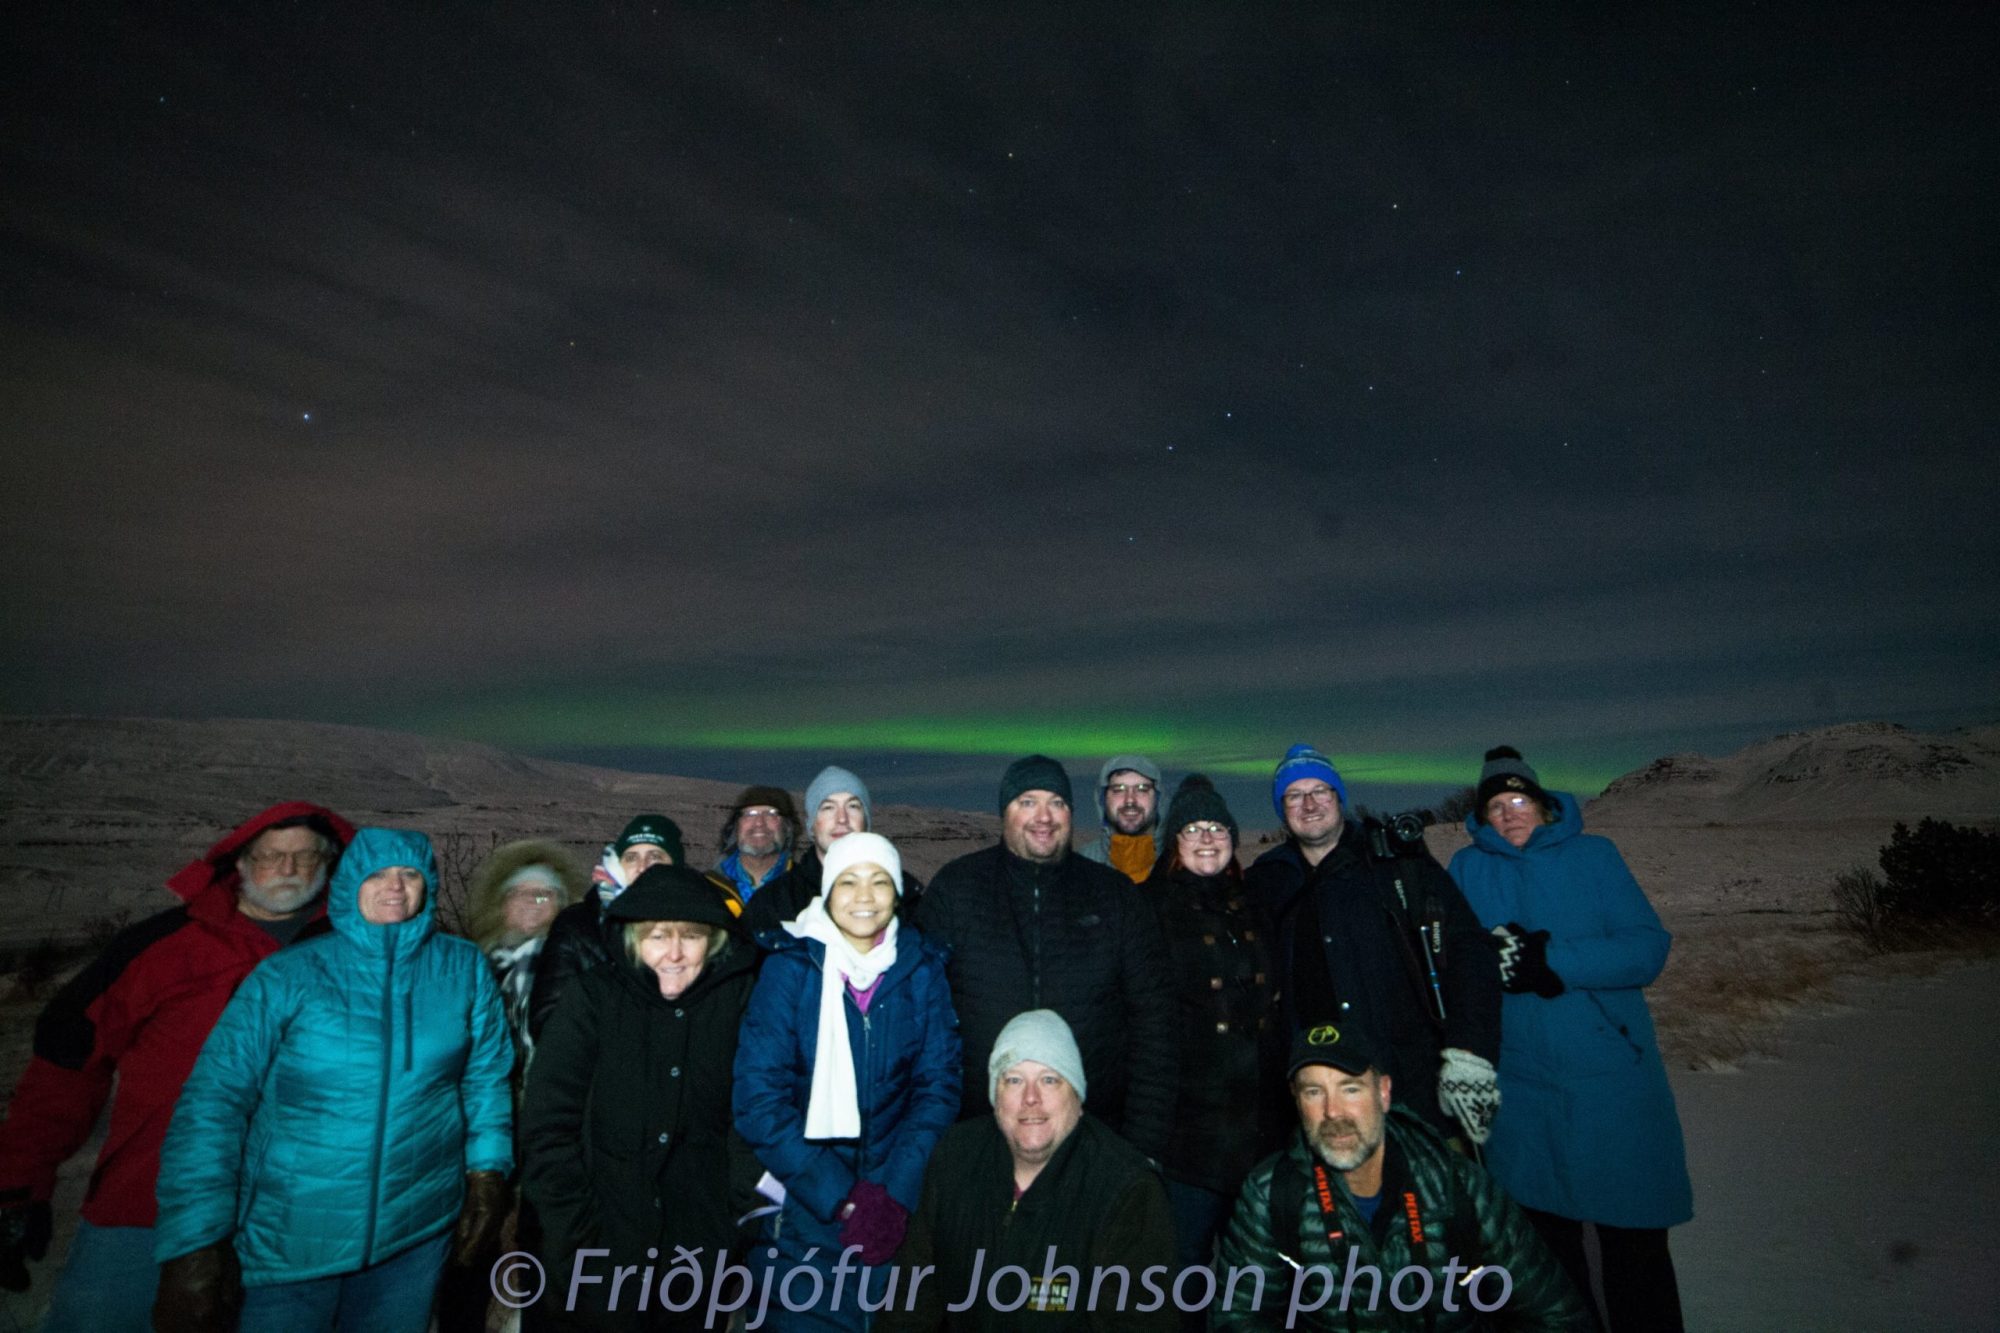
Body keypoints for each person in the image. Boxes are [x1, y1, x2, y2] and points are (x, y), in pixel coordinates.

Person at [0, 802, 354, 1332]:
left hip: (293, 1212)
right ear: (237, 863)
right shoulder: (162, 947)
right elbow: (67, 1061)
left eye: (306, 856)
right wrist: (19, 1182)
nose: (287, 869)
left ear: (331, 865)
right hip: (146, 1204)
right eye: (271, 856)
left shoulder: (356, 952)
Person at [151, 827, 514, 1333]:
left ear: (427, 883)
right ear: (349, 884)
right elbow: (215, 1101)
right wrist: (195, 1240)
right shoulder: (290, 976)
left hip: (413, 1239)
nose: (395, 886)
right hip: (291, 1244)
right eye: (377, 874)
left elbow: (485, 1077)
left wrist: (487, 1172)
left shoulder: (461, 968)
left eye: (409, 873)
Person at [1446, 747, 1693, 1333]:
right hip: (1521, 1088)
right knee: (1549, 1258)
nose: (1509, 815)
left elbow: (1646, 948)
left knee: (1634, 1246)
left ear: (1543, 804)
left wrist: (1551, 960)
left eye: (1518, 801)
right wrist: (1484, 958)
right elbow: (1452, 957)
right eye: (1496, 807)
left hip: (1608, 1076)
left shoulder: (1594, 856)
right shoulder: (1466, 868)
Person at [1212, 1026, 1589, 1332]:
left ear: (1384, 1093)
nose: (1332, 1112)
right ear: (1297, 1103)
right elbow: (1238, 1317)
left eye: (1350, 1088)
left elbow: (1557, 1315)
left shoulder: (1456, 1185)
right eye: (1314, 1092)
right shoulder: (1271, 1193)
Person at [733, 832, 963, 1329]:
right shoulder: (790, 969)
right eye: (849, 882)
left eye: (880, 882)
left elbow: (937, 1088)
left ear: (897, 893)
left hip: (897, 1208)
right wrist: (841, 1196)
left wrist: (893, 1193)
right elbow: (759, 1099)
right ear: (827, 892)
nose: (864, 897)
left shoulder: (921, 969)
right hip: (804, 1209)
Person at [520, 864, 759, 1331]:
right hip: (598, 1250)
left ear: (713, 941)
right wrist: (574, 1238)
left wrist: (729, 1229)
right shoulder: (592, 999)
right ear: (631, 939)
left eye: (689, 936)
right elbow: (548, 1127)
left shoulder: (737, 1004)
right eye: (656, 936)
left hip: (697, 1260)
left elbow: (749, 1120)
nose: (673, 953)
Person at [915, 755, 1176, 1161]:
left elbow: (1155, 1023)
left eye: (1056, 803)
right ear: (1004, 813)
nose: (1044, 817)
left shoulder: (1115, 896)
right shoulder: (957, 890)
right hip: (977, 1137)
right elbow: (919, 1017)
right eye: (1027, 802)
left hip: (1095, 1138)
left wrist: (1141, 1147)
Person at [1245, 744, 1502, 1144]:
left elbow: (1468, 951)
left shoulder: (1396, 865)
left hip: (1410, 1088)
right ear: (1283, 809)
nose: (1309, 804)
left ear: (1338, 798)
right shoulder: (1270, 880)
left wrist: (1469, 1053)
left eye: (1320, 791)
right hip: (1316, 1093)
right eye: (1294, 796)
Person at [878, 1011, 1175, 1333]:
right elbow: (909, 1304)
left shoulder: (1127, 1190)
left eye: (1050, 1079)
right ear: (995, 1097)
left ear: (1077, 1095)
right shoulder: (955, 1158)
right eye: (1014, 1080)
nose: (1031, 1098)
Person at [1142, 777, 1285, 1303]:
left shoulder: (1255, 902)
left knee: (1262, 1277)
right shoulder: (1149, 908)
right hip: (1189, 1139)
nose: (1207, 838)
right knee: (1186, 1276)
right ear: (1174, 841)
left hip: (1262, 1134)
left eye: (1218, 827)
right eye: (1193, 828)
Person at [529, 814, 719, 1040]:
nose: (642, 867)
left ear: (675, 866)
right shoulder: (578, 926)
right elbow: (549, 1018)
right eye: (631, 857)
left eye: (655, 856)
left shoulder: (702, 927)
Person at [741, 767, 925, 939]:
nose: (842, 819)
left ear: (866, 820)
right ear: (811, 824)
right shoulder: (773, 902)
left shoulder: (907, 895)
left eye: (853, 806)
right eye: (828, 807)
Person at [466, 839, 589, 1076]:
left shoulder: (578, 968)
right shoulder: (478, 967)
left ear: (561, 905)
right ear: (503, 904)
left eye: (543, 896)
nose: (531, 902)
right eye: (518, 893)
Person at [1077, 755, 1164, 883]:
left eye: (1141, 789)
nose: (1130, 800)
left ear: (1158, 798)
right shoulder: (1082, 865)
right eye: (1119, 790)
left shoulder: (1177, 862)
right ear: (1103, 799)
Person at [714, 785, 801, 902]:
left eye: (771, 814)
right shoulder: (707, 887)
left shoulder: (807, 888)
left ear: (787, 827)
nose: (759, 823)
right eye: (750, 814)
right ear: (735, 827)